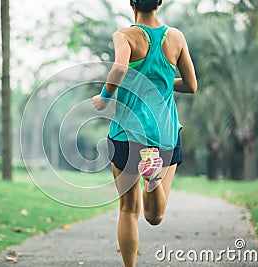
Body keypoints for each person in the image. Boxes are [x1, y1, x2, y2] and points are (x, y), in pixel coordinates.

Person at [92, 0, 197, 266]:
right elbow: (191, 85)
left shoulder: (125, 36)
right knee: (155, 216)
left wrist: (104, 98)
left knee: (128, 211)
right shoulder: (176, 38)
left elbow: (119, 68)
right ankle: (152, 179)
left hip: (127, 133)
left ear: (131, 2)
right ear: (160, 2)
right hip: (164, 135)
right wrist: (158, 82)